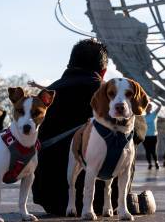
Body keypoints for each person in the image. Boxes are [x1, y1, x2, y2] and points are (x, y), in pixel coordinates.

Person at [33, 39, 108, 215]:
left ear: (69, 64)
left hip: (50, 199)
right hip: (100, 202)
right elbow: (139, 133)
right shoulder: (108, 93)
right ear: (103, 72)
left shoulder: (44, 97)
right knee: (129, 133)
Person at [143, 99, 162, 169]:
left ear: (151, 108)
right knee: (147, 151)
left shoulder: (154, 114)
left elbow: (160, 106)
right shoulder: (143, 117)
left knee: (153, 151)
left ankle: (156, 162)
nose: (148, 108)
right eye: (146, 107)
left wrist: (153, 100)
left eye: (149, 107)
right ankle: (150, 163)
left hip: (153, 136)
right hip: (145, 137)